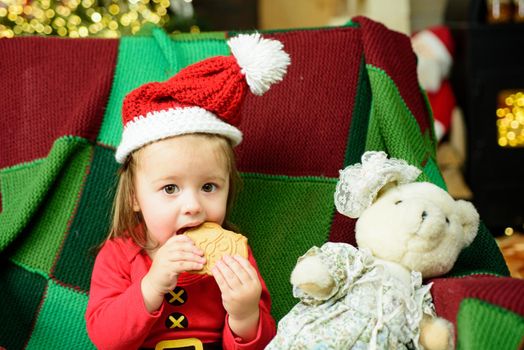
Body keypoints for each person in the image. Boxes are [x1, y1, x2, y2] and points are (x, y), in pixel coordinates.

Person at [85, 33, 290, 350]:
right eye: (170, 188)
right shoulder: (118, 255)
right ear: (134, 198)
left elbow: (260, 343)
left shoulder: (233, 253)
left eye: (209, 186)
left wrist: (245, 314)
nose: (193, 205)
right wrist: (151, 286)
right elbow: (106, 339)